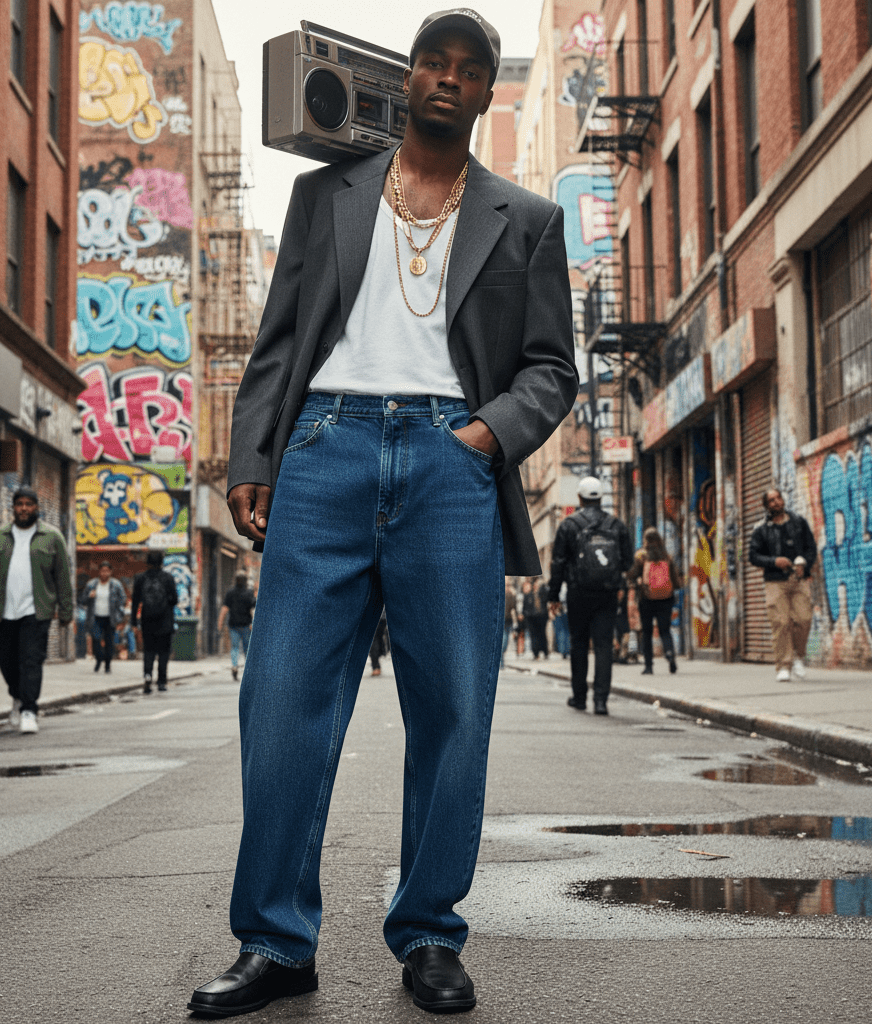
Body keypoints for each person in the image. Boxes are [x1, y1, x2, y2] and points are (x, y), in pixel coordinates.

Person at [187, 10, 577, 1018]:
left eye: (468, 71)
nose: (447, 81)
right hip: (325, 449)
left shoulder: (526, 219)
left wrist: (485, 437)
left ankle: (431, 932)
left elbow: (550, 369)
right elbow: (275, 341)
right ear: (404, 80)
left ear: (487, 94)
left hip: (452, 459)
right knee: (278, 702)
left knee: (453, 709)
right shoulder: (324, 196)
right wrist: (253, 456)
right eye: (431, 64)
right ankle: (275, 941)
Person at [0, 488, 73, 734]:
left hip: (36, 611)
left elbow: (62, 576)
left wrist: (66, 610)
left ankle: (29, 709)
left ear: (37, 507)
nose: (24, 508)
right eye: (20, 504)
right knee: (5, 658)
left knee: (31, 659)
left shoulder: (52, 537)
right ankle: (18, 697)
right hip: (4, 610)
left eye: (29, 504)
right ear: (13, 507)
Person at [548, 476, 633, 715]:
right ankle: (601, 701)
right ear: (601, 498)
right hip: (607, 593)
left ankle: (579, 697)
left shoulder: (569, 525)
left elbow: (558, 563)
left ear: (579, 498)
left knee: (579, 643)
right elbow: (627, 562)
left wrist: (553, 595)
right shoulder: (616, 525)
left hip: (578, 593)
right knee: (604, 645)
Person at [749, 487, 817, 681]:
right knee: (781, 623)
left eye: (778, 498)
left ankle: (798, 657)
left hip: (798, 579)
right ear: (766, 505)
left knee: (804, 620)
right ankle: (783, 665)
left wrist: (805, 562)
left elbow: (810, 548)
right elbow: (753, 556)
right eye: (771, 500)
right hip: (774, 581)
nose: (776, 502)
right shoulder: (761, 529)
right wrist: (773, 562)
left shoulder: (799, 523)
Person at [627, 527, 683, 675]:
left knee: (647, 632)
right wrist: (674, 587)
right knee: (665, 630)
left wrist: (636, 581)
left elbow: (631, 574)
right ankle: (670, 653)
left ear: (645, 540)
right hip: (666, 597)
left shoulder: (641, 556)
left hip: (647, 598)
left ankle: (648, 666)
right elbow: (676, 580)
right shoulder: (667, 556)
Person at [130, 550, 178, 693]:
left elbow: (135, 602)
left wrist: (134, 622)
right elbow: (174, 600)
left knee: (149, 651)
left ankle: (147, 676)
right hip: (165, 621)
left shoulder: (140, 578)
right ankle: (162, 682)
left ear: (148, 562)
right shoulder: (168, 578)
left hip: (147, 621)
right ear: (161, 562)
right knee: (163, 652)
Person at [79, 561, 127, 674]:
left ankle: (108, 665)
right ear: (99, 572)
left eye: (107, 571)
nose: (104, 573)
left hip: (110, 618)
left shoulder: (116, 584)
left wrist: (119, 612)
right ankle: (99, 659)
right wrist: (89, 596)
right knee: (96, 639)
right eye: (102, 571)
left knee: (109, 642)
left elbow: (123, 598)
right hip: (95, 617)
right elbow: (82, 600)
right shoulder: (92, 584)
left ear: (110, 572)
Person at [217, 573, 255, 681]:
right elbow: (252, 610)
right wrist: (253, 623)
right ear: (245, 581)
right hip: (246, 625)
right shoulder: (249, 593)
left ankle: (234, 666)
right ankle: (248, 671)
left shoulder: (230, 592)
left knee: (234, 647)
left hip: (233, 625)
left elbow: (224, 609)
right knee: (247, 649)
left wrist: (219, 623)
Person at [522, 578, 549, 659]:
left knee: (542, 635)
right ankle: (535, 652)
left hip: (542, 617)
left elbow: (546, 596)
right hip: (531, 618)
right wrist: (527, 615)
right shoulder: (528, 595)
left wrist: (542, 585)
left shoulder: (542, 593)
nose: (536, 586)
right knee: (533, 636)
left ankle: (545, 651)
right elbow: (525, 607)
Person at [499, 580, 517, 668]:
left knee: (505, 643)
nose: (506, 587)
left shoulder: (510, 595)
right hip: (499, 622)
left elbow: (514, 608)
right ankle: (501, 662)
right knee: (503, 641)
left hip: (508, 621)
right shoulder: (497, 594)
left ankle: (501, 658)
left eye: (508, 585)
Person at [369, 610, 389, 676]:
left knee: (373, 639)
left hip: (373, 616)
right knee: (378, 637)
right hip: (383, 617)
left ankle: (376, 666)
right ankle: (379, 655)